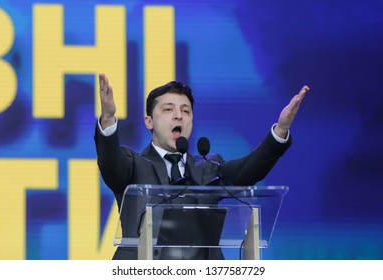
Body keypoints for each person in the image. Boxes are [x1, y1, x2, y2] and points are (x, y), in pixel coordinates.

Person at [94, 73, 309, 260]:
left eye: (186, 111)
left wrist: (280, 131)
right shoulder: (133, 165)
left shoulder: (207, 167)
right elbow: (110, 162)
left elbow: (248, 171)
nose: (179, 115)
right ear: (149, 121)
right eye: (168, 109)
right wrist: (108, 119)